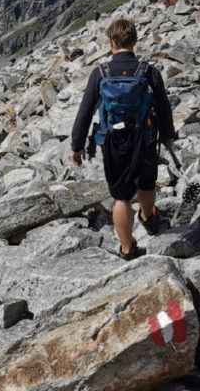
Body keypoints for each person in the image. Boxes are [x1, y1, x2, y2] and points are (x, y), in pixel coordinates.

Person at [70, 17, 176, 259]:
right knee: (148, 182)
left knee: (120, 196)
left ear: (111, 43)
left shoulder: (100, 73)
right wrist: (168, 135)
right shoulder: (149, 72)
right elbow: (163, 107)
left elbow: (85, 111)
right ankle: (148, 216)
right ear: (135, 41)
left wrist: (77, 146)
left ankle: (128, 248)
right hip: (146, 137)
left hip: (113, 141)